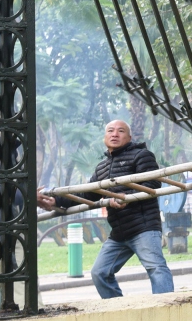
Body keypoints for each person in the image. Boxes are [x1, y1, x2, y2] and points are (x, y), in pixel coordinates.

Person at [37, 120, 174, 298]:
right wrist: (55, 200)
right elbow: (86, 195)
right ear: (105, 137)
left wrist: (126, 197)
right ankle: (119, 309)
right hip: (119, 233)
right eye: (110, 130)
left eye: (120, 131)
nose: (115, 134)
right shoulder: (102, 168)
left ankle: (166, 309)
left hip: (144, 227)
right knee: (99, 273)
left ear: (129, 137)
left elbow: (152, 183)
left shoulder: (141, 155)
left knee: (156, 267)